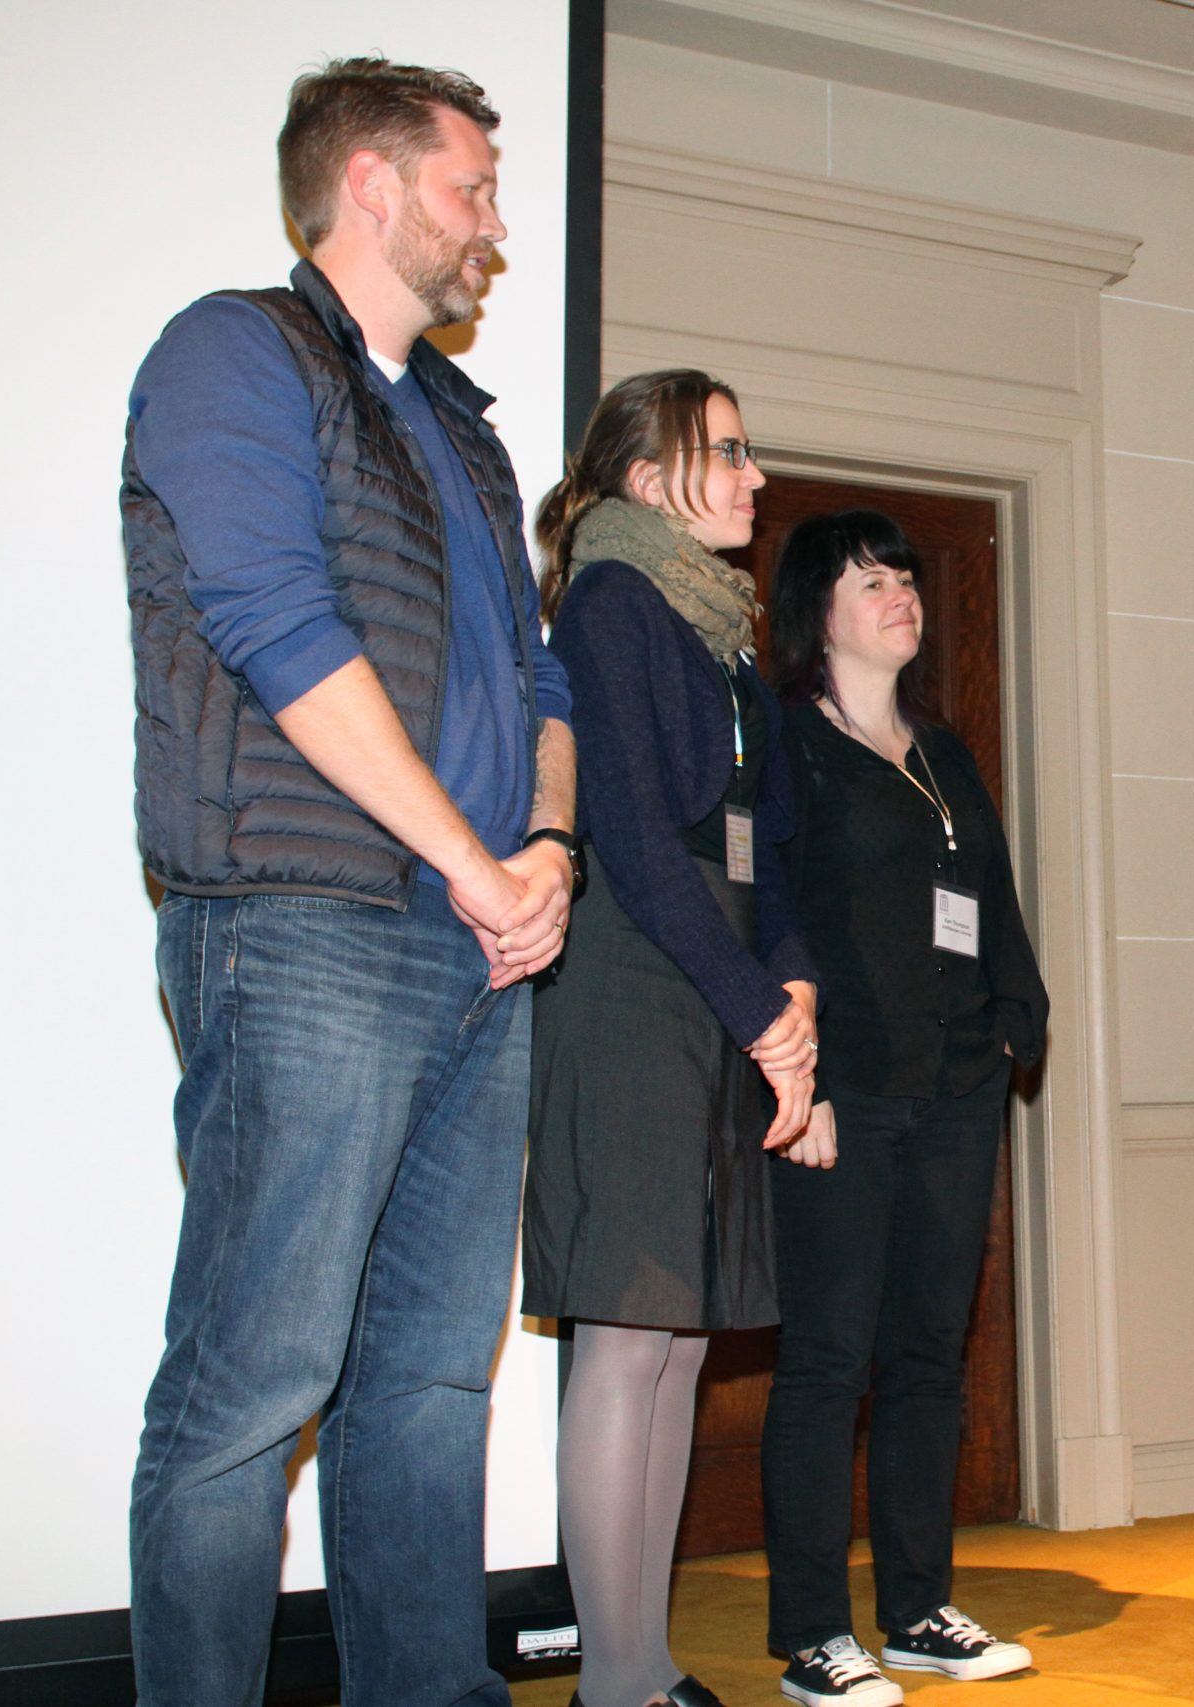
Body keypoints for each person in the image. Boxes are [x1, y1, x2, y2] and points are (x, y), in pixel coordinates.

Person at [121, 58, 575, 1706]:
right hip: (308, 926)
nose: (496, 227)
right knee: (256, 1388)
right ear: (371, 188)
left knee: (433, 1389)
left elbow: (543, 689)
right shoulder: (234, 352)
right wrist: (473, 862)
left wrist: (551, 855)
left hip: (481, 951)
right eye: (472, 188)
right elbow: (271, 618)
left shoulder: (467, 431)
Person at [524, 371, 824, 1707]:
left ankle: (644, 1665)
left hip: (720, 986)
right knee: (629, 1333)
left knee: (684, 1339)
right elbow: (639, 843)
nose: (757, 477)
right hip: (638, 988)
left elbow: (778, 847)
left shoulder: (725, 632)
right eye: (730, 453)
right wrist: (761, 1010)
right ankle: (614, 1683)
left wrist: (797, 983)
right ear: (649, 480)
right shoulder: (612, 606)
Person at [761, 510, 1050, 1707]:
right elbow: (766, 906)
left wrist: (1016, 1016)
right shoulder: (786, 744)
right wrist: (802, 1076)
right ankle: (812, 1631)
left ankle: (919, 1607)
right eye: (868, 579)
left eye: (905, 579)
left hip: (954, 1084)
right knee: (829, 1360)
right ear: (815, 611)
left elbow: (988, 890)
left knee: (930, 1354)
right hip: (846, 1088)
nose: (899, 596)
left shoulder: (943, 748)